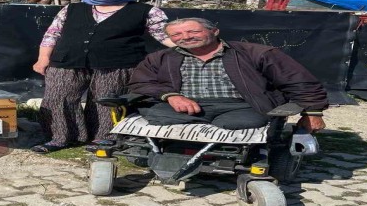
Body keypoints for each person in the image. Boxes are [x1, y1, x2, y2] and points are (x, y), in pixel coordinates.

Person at [31, 0, 175, 153]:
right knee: (58, 97)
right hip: (67, 60)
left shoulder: (146, 10)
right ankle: (59, 137)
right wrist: (43, 58)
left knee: (106, 100)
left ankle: (104, 137)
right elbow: (52, 34)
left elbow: (163, 35)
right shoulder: (72, 8)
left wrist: (190, 47)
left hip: (118, 62)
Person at [129, 17, 328, 132]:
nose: (186, 37)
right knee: (158, 116)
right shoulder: (160, 58)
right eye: (176, 35)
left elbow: (299, 82)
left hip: (242, 107)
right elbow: (140, 83)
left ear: (215, 31)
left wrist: (312, 113)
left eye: (193, 32)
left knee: (239, 125)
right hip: (184, 108)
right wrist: (171, 96)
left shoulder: (257, 53)